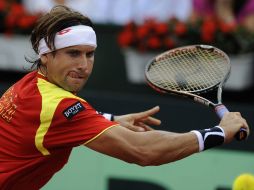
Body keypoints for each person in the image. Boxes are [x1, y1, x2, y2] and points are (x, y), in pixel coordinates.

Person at [0, 5, 250, 190]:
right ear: (46, 55)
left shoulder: (30, 85)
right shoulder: (58, 106)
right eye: (73, 53)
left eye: (90, 54)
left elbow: (49, 123)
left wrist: (110, 119)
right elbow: (142, 151)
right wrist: (219, 133)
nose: (84, 65)